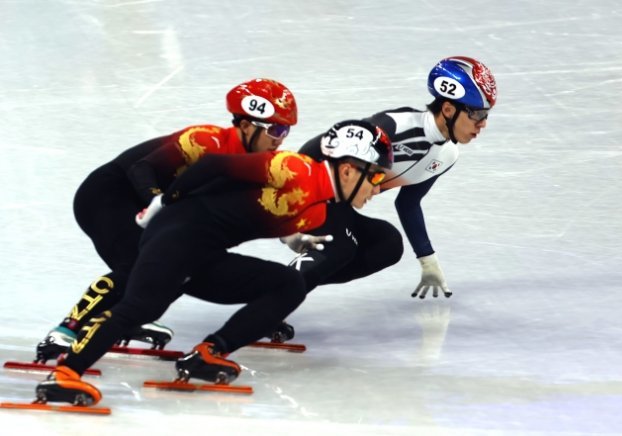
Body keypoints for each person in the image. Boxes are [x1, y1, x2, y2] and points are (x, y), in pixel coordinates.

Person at [34, 119, 393, 407]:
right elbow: (213, 165)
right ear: (348, 170)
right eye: (375, 175)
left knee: (287, 284)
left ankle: (208, 352)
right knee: (142, 306)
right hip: (177, 234)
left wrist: (294, 237)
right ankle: (65, 373)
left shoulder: (317, 210)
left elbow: (264, 213)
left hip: (205, 251)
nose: (377, 187)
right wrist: (164, 202)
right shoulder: (294, 168)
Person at [35, 78, 298, 363]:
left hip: (147, 207)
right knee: (137, 264)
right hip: (108, 195)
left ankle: (119, 319)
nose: (280, 138)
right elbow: (142, 169)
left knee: (174, 265)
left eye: (285, 130)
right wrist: (157, 201)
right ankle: (68, 328)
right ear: (247, 126)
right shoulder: (205, 140)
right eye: (275, 129)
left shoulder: (254, 163)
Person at [282, 56, 497, 305]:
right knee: (341, 247)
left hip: (338, 205)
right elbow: (318, 145)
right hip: (307, 192)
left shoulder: (447, 156)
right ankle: (273, 298)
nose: (483, 124)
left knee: (387, 245)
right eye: (477, 114)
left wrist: (428, 260)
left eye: (486, 114)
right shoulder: (395, 126)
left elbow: (408, 203)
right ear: (448, 109)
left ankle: (281, 284)